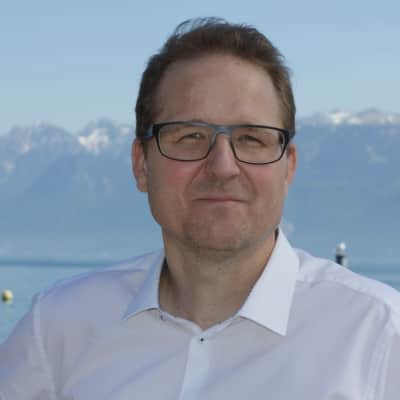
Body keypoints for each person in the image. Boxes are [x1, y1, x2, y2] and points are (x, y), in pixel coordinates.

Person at [1, 18, 399, 399]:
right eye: (190, 136)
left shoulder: (380, 337)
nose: (223, 167)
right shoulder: (56, 329)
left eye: (252, 139)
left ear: (288, 167)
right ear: (141, 164)